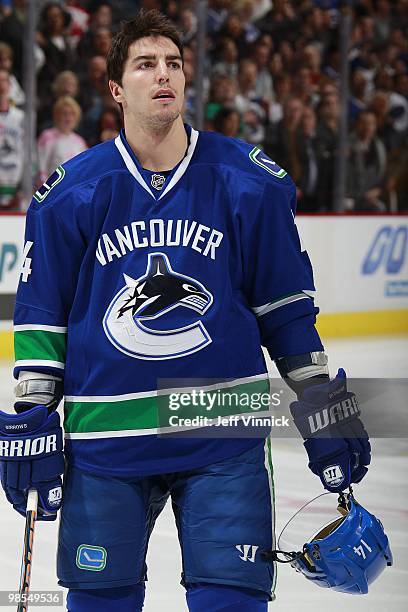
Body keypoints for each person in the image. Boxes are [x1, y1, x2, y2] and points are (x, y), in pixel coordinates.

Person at [0, 10, 371, 612]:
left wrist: (322, 403)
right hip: (107, 441)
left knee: (230, 604)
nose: (163, 74)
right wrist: (35, 415)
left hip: (222, 433)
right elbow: (43, 317)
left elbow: (286, 313)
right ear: (117, 88)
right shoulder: (71, 193)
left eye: (173, 63)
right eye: (145, 65)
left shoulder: (246, 181)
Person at [37, 96, 87, 184]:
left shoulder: (80, 142)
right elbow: (40, 168)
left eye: (72, 114)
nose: (68, 118)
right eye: (64, 113)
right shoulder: (47, 137)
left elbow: (84, 170)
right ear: (57, 115)